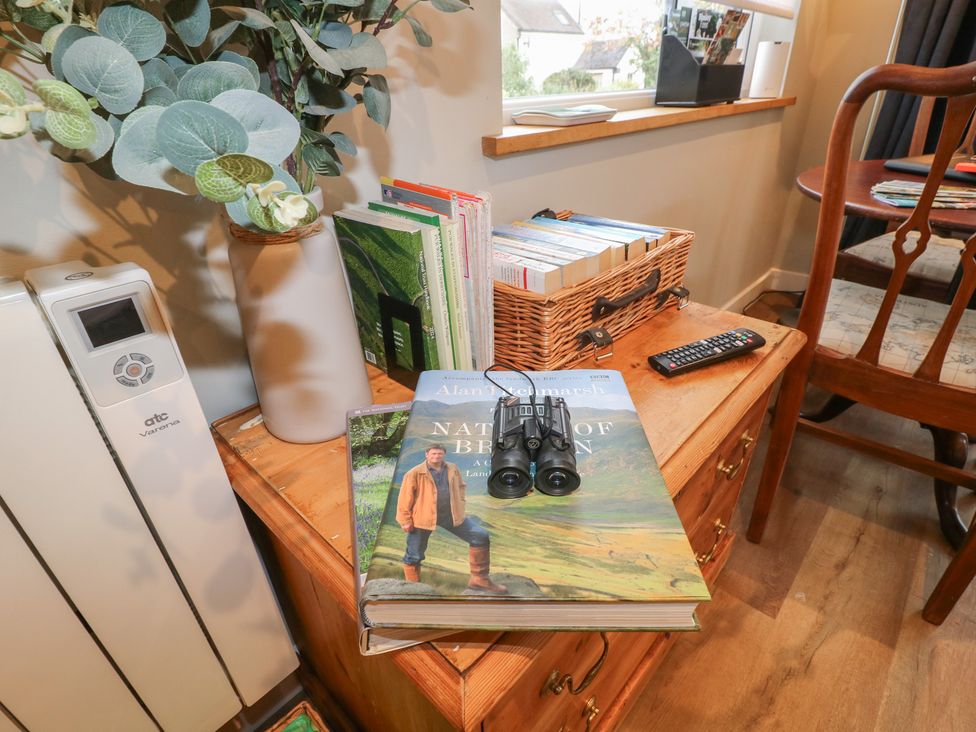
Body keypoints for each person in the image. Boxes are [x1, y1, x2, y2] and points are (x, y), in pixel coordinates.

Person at [396, 443, 507, 594]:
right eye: (433, 454)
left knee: (480, 536)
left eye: (439, 454)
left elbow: (461, 486)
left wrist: (460, 504)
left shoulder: (452, 468)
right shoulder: (414, 473)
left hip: (451, 515)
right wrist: (405, 520)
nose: (436, 456)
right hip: (423, 517)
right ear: (427, 455)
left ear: (444, 455)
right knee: (414, 554)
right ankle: (414, 589)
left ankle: (479, 580)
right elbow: (404, 498)